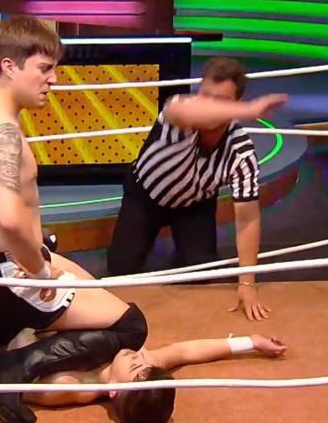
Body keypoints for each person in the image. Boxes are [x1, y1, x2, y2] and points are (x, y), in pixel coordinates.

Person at [0, 15, 150, 423]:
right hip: (9, 273)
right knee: (130, 326)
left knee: (90, 290)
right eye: (44, 68)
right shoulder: (1, 130)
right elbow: (9, 218)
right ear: (9, 66)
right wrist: (40, 272)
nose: (53, 79)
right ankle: (9, 370)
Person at [0, 272, 287, 423]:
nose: (140, 359)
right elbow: (187, 351)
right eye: (146, 365)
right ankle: (41, 263)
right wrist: (248, 343)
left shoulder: (70, 387)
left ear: (116, 393)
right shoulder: (125, 352)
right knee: (121, 325)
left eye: (138, 370)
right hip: (25, 310)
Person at [107, 57, 288, 321]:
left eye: (221, 101)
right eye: (206, 97)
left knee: (200, 273)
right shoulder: (180, 111)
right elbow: (179, 110)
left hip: (195, 203)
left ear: (234, 103)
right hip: (146, 194)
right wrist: (250, 110)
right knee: (121, 269)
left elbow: (248, 218)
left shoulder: (241, 152)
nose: (210, 106)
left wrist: (247, 283)